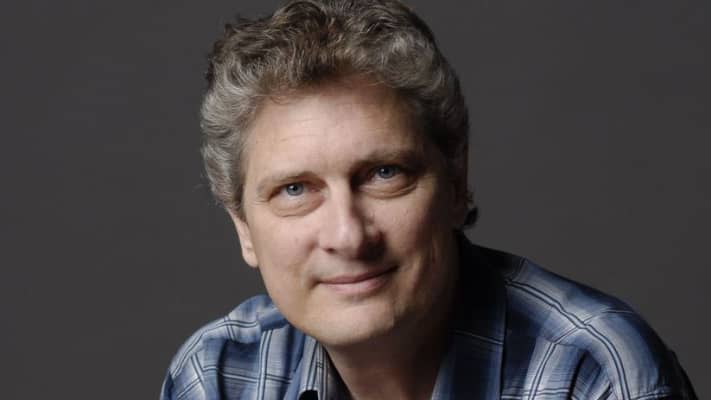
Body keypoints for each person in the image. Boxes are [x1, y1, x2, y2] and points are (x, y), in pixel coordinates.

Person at [160, 0, 697, 399]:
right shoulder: (218, 375)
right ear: (243, 227)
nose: (348, 235)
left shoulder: (592, 371)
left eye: (384, 174)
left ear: (456, 181)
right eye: (295, 190)